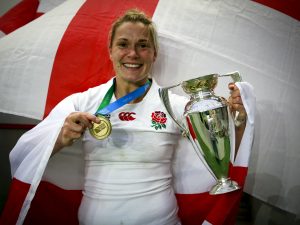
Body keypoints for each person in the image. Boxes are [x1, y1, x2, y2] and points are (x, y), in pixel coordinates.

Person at [8, 9, 251, 225]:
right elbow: (24, 154)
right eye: (123, 44)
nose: (133, 53)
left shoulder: (178, 106)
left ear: (154, 53)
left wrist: (239, 119)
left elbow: (222, 153)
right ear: (110, 51)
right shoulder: (81, 103)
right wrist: (60, 137)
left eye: (143, 45)